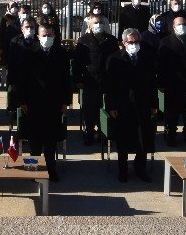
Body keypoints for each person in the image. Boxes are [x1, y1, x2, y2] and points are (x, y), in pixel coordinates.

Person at [17, 23, 72, 181]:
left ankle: (51, 169)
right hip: (34, 102)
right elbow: (23, 79)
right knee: (35, 141)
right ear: (38, 36)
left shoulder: (61, 53)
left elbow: (66, 79)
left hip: (54, 103)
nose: (47, 38)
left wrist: (65, 101)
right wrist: (22, 101)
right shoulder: (29, 53)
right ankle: (34, 167)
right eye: (44, 35)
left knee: (50, 140)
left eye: (50, 35)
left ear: (54, 36)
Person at [103, 28, 158, 182]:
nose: (134, 44)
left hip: (143, 104)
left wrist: (154, 104)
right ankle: (123, 170)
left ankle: (140, 168)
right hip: (123, 105)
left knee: (143, 139)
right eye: (130, 42)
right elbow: (109, 86)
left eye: (136, 42)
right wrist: (111, 106)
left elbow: (152, 83)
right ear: (124, 43)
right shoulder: (114, 59)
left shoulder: (147, 58)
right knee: (123, 140)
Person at [73, 15, 120, 145]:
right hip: (90, 81)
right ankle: (89, 132)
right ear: (90, 25)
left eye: (100, 22)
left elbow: (117, 60)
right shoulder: (83, 40)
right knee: (89, 109)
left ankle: (103, 133)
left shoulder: (111, 40)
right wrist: (78, 80)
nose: (98, 25)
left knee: (106, 108)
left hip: (107, 81)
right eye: (95, 23)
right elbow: (77, 63)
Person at [157, 15, 186, 146]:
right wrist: (161, 84)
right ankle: (170, 134)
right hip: (173, 84)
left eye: (183, 24)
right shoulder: (165, 42)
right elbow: (161, 65)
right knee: (172, 114)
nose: (181, 27)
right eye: (178, 24)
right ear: (173, 27)